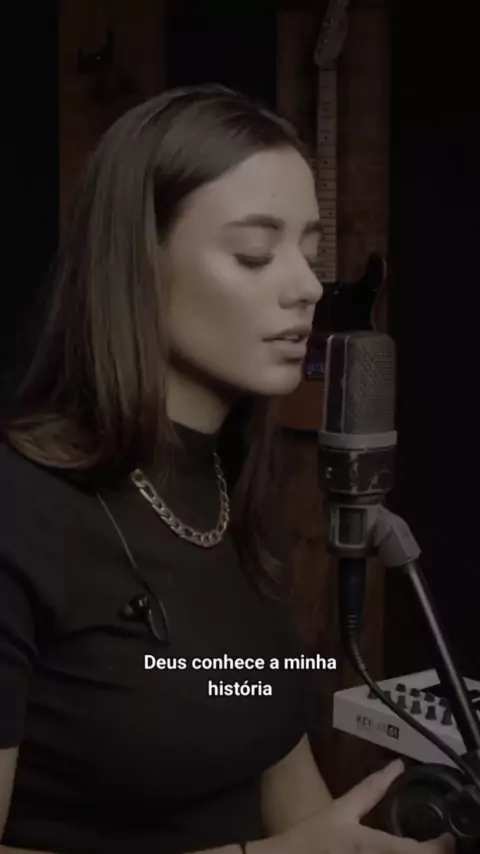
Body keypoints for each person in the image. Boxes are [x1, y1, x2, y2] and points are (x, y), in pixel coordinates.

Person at [0, 84, 453, 854]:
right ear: (137, 264)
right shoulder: (19, 513)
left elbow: (274, 766)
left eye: (310, 253)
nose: (306, 286)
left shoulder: (225, 493)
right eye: (254, 253)